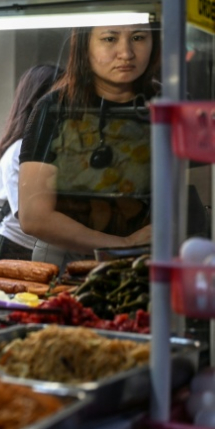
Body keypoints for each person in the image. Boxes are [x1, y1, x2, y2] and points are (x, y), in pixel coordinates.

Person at [18, 24, 159, 266]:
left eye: (138, 37)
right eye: (109, 39)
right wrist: (123, 246)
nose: (126, 53)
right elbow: (33, 217)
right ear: (84, 45)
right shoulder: (55, 107)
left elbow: (196, 198)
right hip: (66, 261)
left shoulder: (168, 104)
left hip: (153, 259)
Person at [0, 64, 63, 262]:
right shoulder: (21, 149)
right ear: (37, 100)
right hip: (13, 248)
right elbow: (31, 218)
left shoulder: (49, 146)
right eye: (60, 96)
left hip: (32, 247)